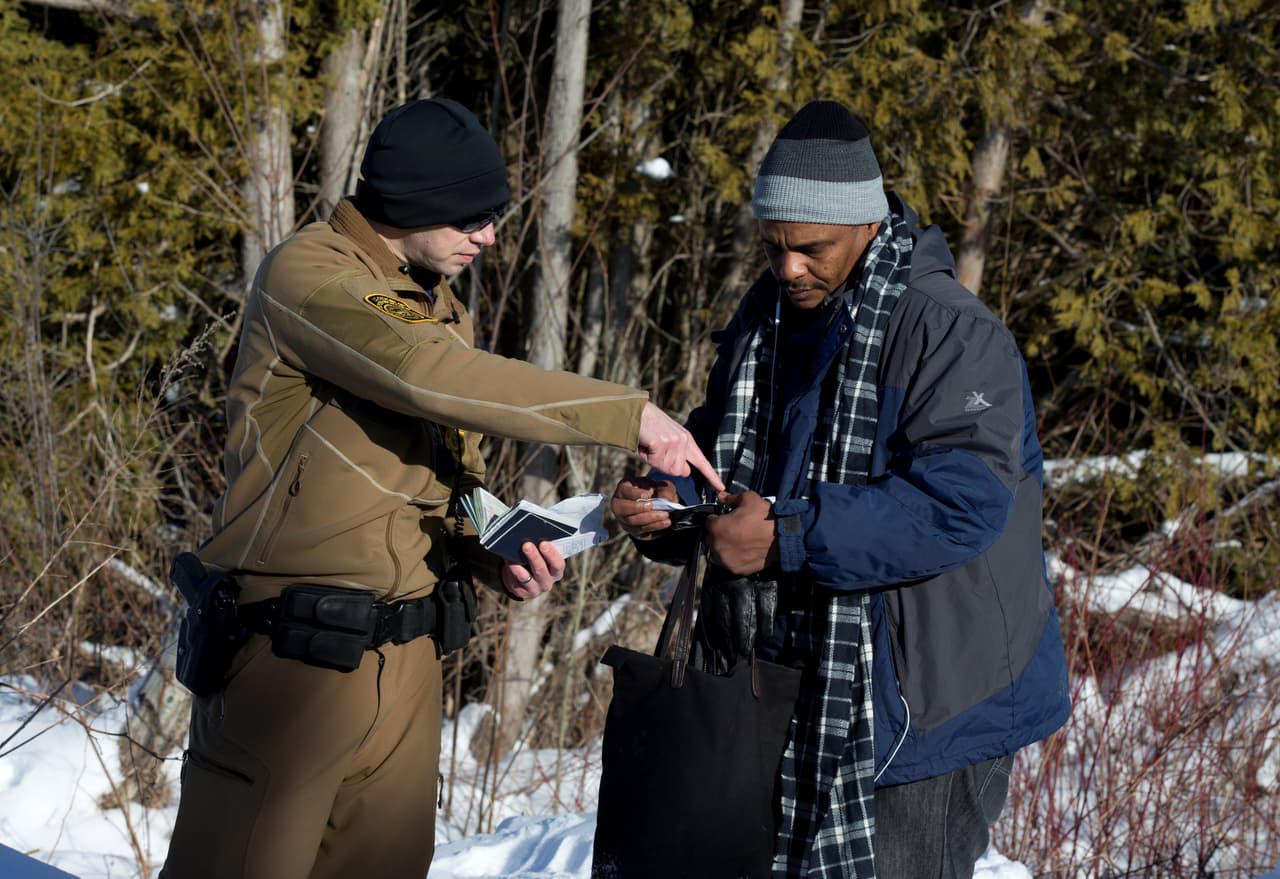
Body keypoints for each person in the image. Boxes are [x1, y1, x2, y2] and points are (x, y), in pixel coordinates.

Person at [160, 98, 723, 879]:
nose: (488, 236)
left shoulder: (437, 306)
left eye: (493, 215)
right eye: (471, 217)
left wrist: (504, 548)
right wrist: (630, 416)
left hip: (411, 667)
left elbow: (451, 483)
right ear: (412, 200)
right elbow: (427, 378)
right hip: (290, 669)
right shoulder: (309, 275)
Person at [611, 100, 1071, 878]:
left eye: (810, 248)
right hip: (784, 682)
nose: (789, 266)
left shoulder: (949, 332)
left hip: (924, 705)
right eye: (773, 247)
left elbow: (961, 504)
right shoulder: (773, 316)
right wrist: (668, 506)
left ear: (865, 223)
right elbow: (724, 453)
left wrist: (787, 535)